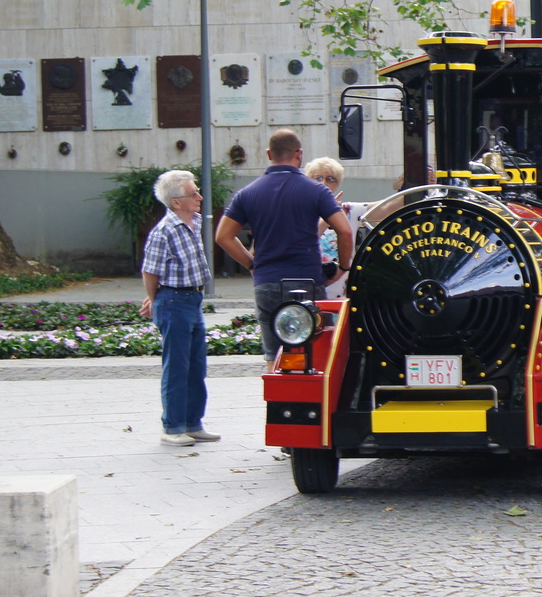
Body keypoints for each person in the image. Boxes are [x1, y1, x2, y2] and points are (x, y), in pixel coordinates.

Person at [216, 129, 353, 363]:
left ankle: (276, 397)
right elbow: (344, 230)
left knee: (274, 356)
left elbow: (223, 236)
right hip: (306, 282)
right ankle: (311, 399)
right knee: (314, 354)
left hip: (267, 282)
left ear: (269, 154)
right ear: (299, 154)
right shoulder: (317, 190)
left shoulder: (247, 193)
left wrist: (252, 263)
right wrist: (343, 266)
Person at [140, 170, 215, 447]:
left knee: (196, 366)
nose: (199, 197)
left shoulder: (193, 223)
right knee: (177, 367)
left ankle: (193, 423)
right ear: (176, 202)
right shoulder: (164, 231)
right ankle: (173, 427)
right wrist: (154, 299)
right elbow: (150, 272)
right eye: (193, 194)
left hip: (192, 300)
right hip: (173, 301)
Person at [303, 158, 406, 299]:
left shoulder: (346, 210)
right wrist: (327, 219)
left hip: (341, 297)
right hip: (307, 295)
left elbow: (385, 208)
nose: (324, 183)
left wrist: (412, 185)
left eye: (330, 179)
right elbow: (303, 244)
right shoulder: (299, 213)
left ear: (337, 185)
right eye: (318, 178)